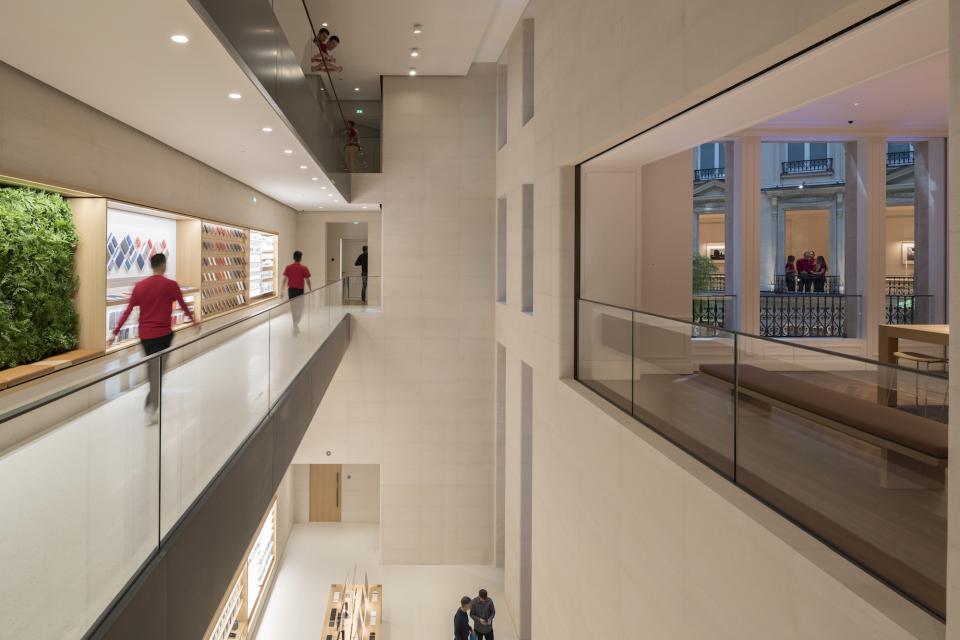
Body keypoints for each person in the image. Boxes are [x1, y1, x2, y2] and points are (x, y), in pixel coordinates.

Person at [110, 253, 197, 424]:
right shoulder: (171, 285)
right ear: (164, 265)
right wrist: (194, 321)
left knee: (153, 369)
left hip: (146, 337)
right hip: (164, 336)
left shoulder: (140, 286)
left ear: (151, 266)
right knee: (158, 373)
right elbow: (183, 305)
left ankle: (151, 402)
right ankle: (151, 407)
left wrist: (115, 332)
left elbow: (127, 311)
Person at [282, 251, 312, 333]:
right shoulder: (304, 268)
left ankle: (295, 323)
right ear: (300, 258)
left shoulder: (288, 267)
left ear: (293, 257)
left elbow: (284, 280)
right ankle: (296, 323)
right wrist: (310, 289)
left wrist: (282, 290)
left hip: (291, 290)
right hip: (299, 290)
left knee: (293, 307)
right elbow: (307, 280)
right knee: (300, 307)